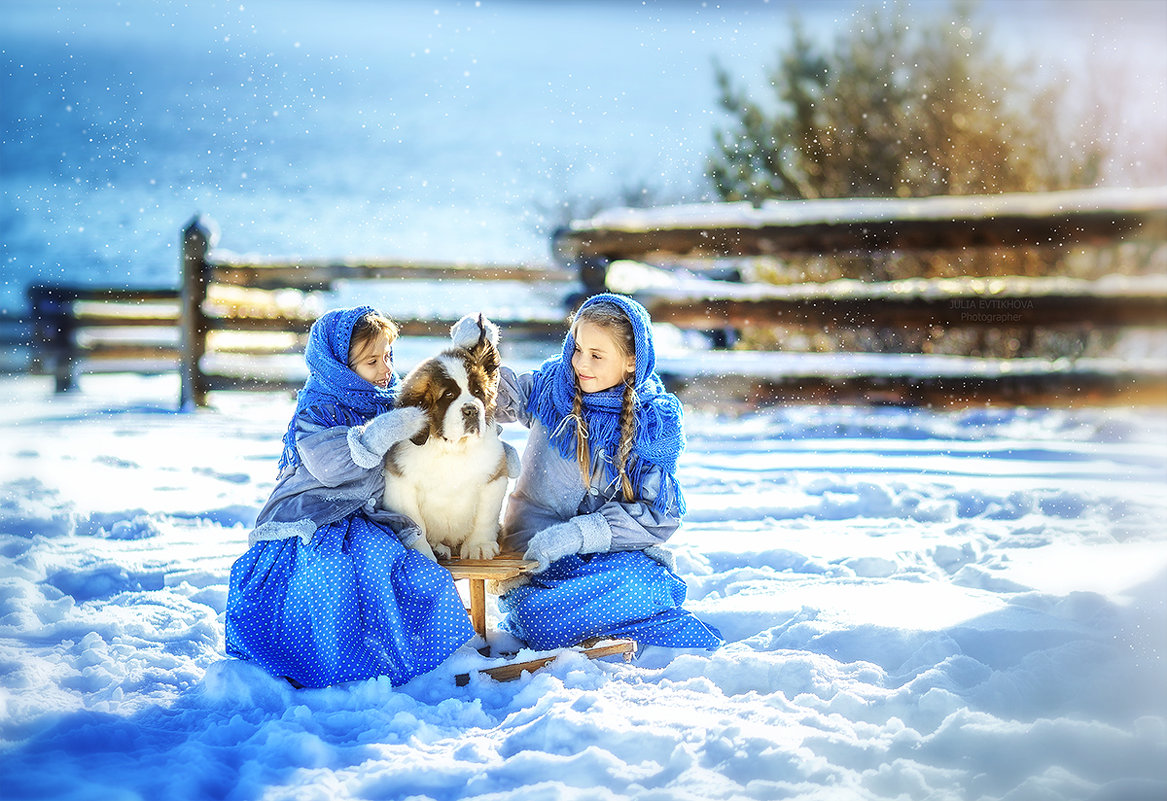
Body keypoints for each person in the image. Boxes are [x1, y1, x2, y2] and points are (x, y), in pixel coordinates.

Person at [452, 293, 722, 652]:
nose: (581, 363)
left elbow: (659, 515)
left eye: (597, 355)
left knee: (645, 582)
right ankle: (617, 621)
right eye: (578, 349)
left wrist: (580, 534)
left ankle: (598, 620)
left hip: (609, 561)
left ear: (631, 361)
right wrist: (474, 358)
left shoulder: (653, 423)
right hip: (536, 557)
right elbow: (493, 399)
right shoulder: (553, 388)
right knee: (535, 616)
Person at [225, 305, 475, 688]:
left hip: (363, 517)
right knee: (330, 573)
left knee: (398, 569)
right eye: (372, 360)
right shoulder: (317, 408)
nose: (385, 368)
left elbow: (433, 412)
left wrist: (459, 359)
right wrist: (380, 432)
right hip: (309, 519)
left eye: (388, 356)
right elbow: (330, 465)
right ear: (338, 365)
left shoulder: (383, 398)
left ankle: (400, 651)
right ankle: (325, 660)